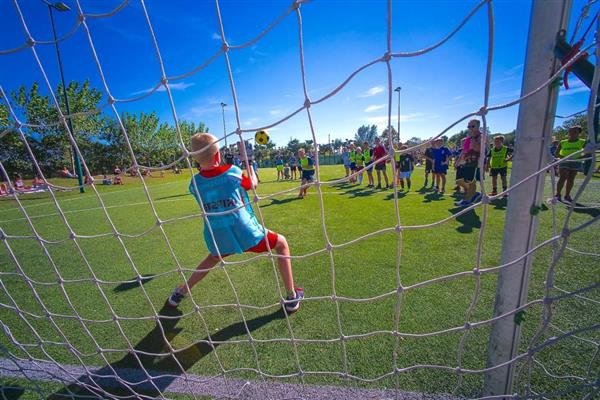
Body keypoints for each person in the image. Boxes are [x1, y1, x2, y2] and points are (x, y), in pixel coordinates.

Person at [167, 133, 304, 312]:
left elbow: (212, 184)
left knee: (212, 259)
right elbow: (252, 184)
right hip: (245, 231)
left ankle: (180, 293)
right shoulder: (232, 171)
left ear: (195, 159)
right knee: (282, 244)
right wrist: (250, 164)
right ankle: (292, 296)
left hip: (219, 234)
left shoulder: (194, 183)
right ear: (218, 155)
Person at [554, 126, 586, 203]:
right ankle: (558, 194)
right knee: (563, 177)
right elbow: (556, 153)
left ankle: (567, 195)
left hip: (576, 162)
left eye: (575, 132)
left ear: (579, 133)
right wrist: (565, 158)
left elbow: (588, 152)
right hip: (564, 161)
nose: (572, 133)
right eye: (570, 131)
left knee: (571, 178)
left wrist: (580, 158)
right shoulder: (563, 142)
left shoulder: (583, 142)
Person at [455, 119, 483, 207]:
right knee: (460, 181)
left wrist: (472, 138)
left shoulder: (481, 136)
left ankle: (467, 200)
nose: (470, 128)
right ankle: (473, 194)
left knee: (471, 182)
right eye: (469, 126)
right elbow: (465, 150)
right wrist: (458, 161)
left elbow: (478, 148)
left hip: (476, 162)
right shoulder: (468, 138)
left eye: (472, 126)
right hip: (467, 161)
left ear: (478, 126)